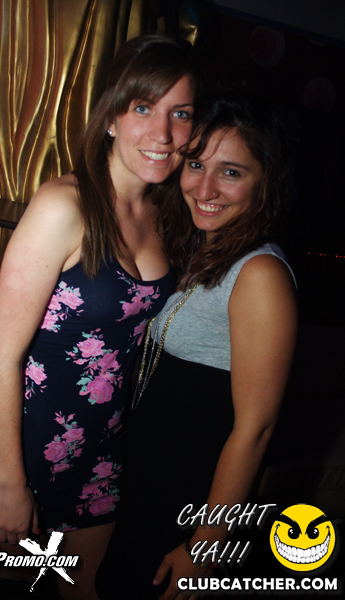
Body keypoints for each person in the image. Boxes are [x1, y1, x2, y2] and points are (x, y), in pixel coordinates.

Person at [0, 34, 198, 600]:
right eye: (143, 107)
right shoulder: (63, 206)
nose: (162, 133)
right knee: (18, 588)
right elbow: (2, 353)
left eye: (180, 114)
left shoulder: (166, 213)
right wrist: (11, 482)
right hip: (29, 447)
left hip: (105, 446)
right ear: (112, 117)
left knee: (85, 589)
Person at [96, 90, 298, 600]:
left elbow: (255, 429)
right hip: (146, 483)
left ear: (265, 180)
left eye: (231, 172)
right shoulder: (198, 248)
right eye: (195, 165)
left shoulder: (260, 273)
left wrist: (207, 541)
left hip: (189, 502)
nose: (205, 188)